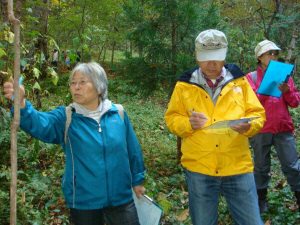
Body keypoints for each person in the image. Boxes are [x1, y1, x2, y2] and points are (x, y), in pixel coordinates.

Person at [3, 62, 146, 225]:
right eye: (73, 83)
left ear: (99, 88)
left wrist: (138, 181)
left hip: (120, 197)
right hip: (84, 201)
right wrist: (21, 104)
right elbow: (40, 124)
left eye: (83, 82)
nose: (76, 87)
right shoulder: (67, 117)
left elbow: (132, 149)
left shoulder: (118, 114)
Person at [165, 29, 266, 225]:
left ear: (225, 55)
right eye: (205, 58)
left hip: (237, 167)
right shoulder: (184, 85)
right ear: (196, 55)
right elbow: (172, 119)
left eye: (216, 58)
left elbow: (258, 115)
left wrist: (250, 126)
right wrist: (188, 124)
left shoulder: (240, 83)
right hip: (199, 168)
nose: (211, 64)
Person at [246, 40, 300, 213]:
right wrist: (266, 88)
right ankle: (261, 199)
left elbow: (295, 103)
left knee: (292, 165)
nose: (273, 56)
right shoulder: (251, 77)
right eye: (269, 53)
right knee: (261, 166)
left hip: (283, 128)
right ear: (259, 56)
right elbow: (249, 104)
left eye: (275, 53)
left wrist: (287, 91)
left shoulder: (285, 76)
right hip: (261, 128)